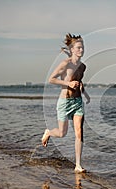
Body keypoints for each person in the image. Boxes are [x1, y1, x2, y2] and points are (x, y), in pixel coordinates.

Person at [41, 33, 90, 173]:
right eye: (79, 48)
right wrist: (68, 83)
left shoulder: (83, 67)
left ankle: (78, 165)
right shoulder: (65, 64)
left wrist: (84, 93)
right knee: (62, 133)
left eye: (83, 47)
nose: (81, 50)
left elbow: (79, 82)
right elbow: (51, 79)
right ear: (72, 49)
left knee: (79, 132)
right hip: (64, 102)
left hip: (78, 102)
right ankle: (49, 132)